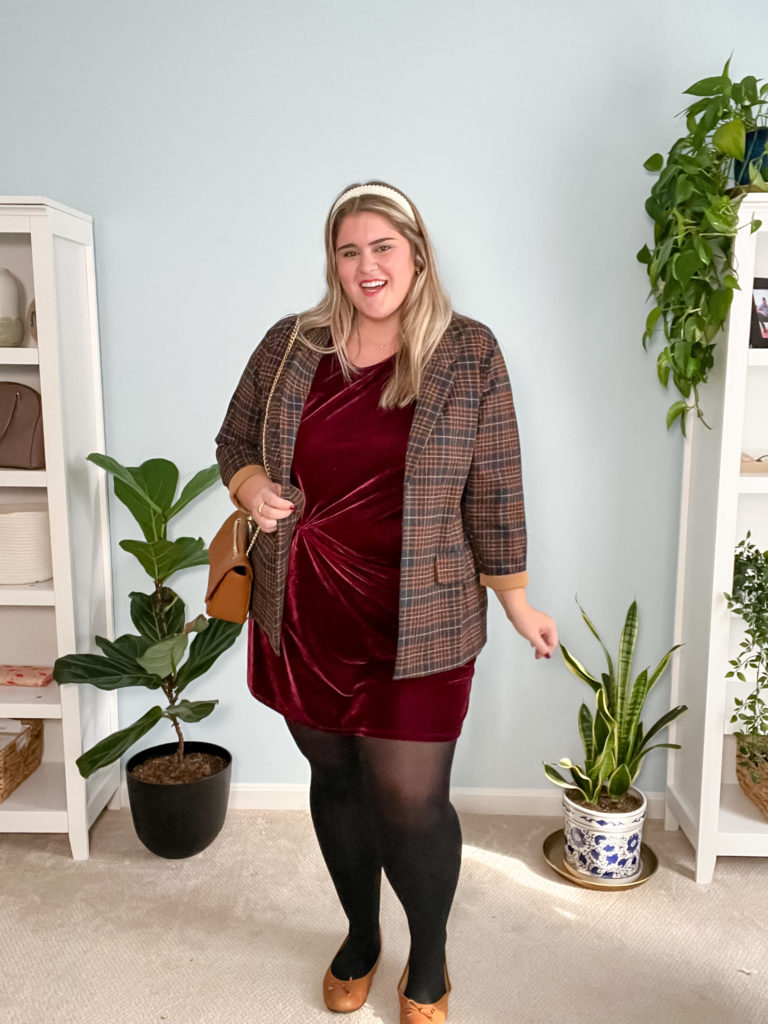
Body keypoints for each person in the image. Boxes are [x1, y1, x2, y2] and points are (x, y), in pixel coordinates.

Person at [215, 181, 557, 1024]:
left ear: (417, 253)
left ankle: (430, 956)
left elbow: (496, 483)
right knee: (333, 778)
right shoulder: (290, 346)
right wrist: (252, 485)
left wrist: (515, 597)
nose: (366, 266)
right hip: (307, 609)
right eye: (348, 250)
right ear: (332, 261)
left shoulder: (469, 351)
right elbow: (233, 441)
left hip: (423, 618)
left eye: (382, 248)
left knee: (412, 800)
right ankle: (362, 936)